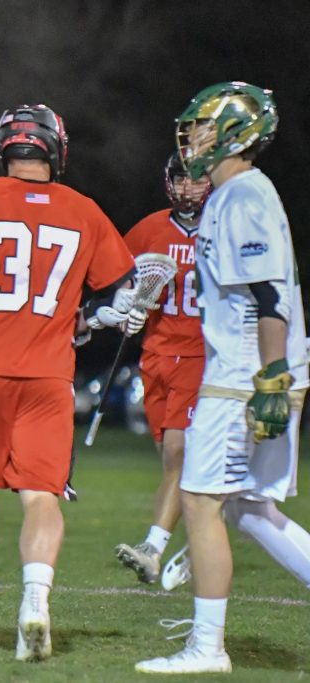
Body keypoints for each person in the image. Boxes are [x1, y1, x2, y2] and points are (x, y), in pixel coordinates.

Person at [0, 105, 141, 661]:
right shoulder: (84, 210)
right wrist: (89, 322)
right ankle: (35, 601)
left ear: (5, 149)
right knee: (42, 495)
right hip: (49, 373)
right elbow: (123, 295)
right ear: (54, 150)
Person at [136, 82, 310, 675]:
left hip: (243, 374)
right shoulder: (233, 193)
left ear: (238, 133)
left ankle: (207, 648)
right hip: (250, 370)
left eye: (205, 127)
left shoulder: (242, 197)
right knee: (249, 510)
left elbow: (269, 297)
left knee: (199, 500)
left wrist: (271, 379)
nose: (195, 139)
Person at [113, 153, 210, 589]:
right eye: (181, 180)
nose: (188, 188)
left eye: (197, 179)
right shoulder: (149, 229)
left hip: (200, 357)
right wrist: (125, 313)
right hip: (155, 358)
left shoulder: (222, 227)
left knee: (178, 455)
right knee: (176, 466)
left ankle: (153, 549)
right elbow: (114, 279)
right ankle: (205, 536)